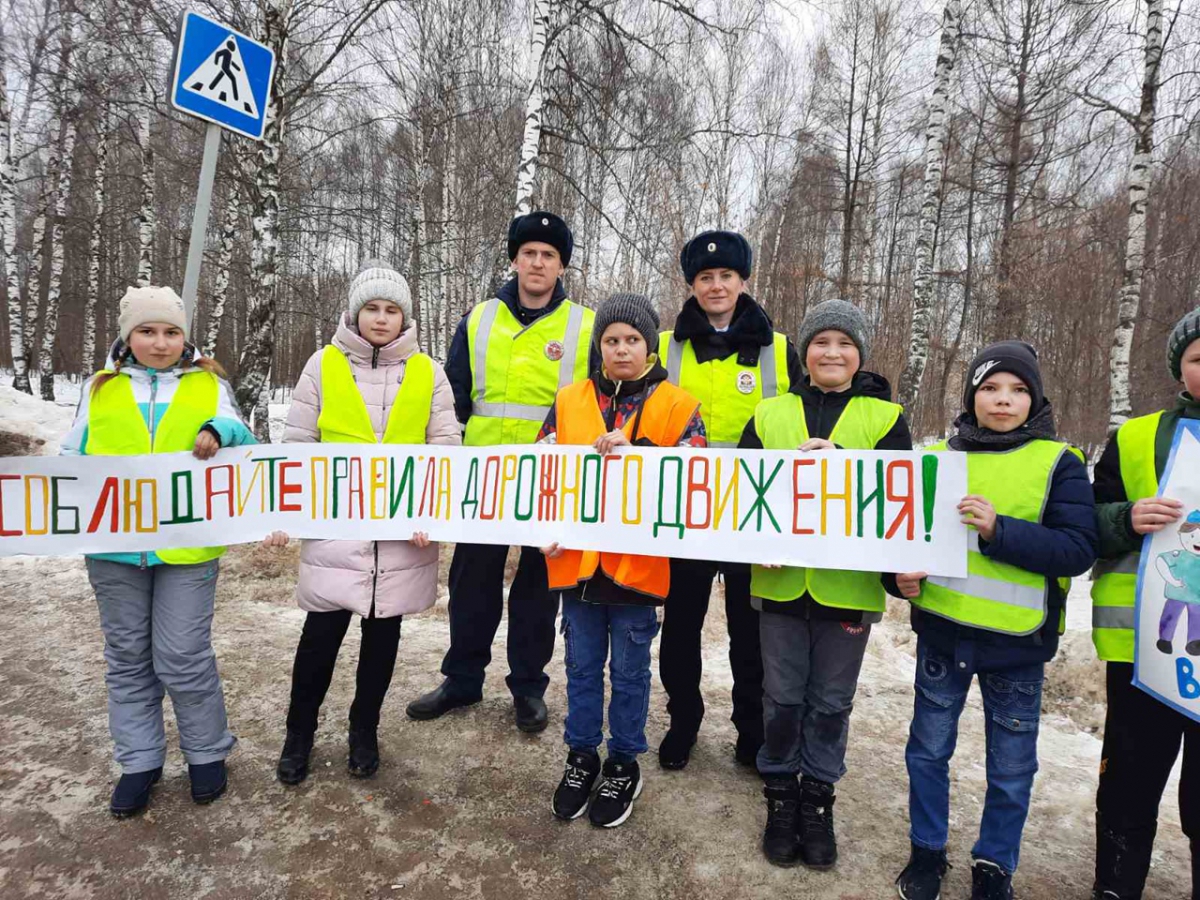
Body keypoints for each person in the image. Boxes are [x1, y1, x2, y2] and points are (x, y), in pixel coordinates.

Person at [892, 341, 1097, 900]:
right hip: (943, 632)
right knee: (927, 752)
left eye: (1018, 389)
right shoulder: (938, 458)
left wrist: (999, 531)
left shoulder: (1060, 461)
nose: (1003, 400)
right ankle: (927, 852)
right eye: (989, 388)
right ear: (971, 396)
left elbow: (1078, 549)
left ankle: (994, 865)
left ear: (1035, 398)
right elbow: (906, 541)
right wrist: (899, 581)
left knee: (1010, 769)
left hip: (1016, 644)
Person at [61, 285, 256, 817]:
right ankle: (140, 761)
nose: (160, 342)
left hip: (187, 551)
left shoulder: (208, 384)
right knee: (127, 659)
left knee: (183, 655)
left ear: (185, 336)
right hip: (113, 550)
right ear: (128, 336)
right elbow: (69, 456)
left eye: (171, 332)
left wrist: (220, 430)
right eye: (147, 331)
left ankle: (206, 752)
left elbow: (244, 436)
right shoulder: (100, 389)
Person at [268, 261, 460, 785]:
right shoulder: (323, 364)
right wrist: (285, 512)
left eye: (391, 309)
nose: (381, 318)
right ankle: (298, 734)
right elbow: (298, 447)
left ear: (405, 317)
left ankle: (363, 730)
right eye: (371, 308)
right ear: (355, 313)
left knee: (383, 640)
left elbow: (445, 448)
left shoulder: (428, 371)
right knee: (319, 639)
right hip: (335, 532)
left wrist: (432, 513)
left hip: (401, 538)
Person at [738, 300, 912, 869]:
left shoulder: (885, 418)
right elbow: (741, 494)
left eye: (843, 343)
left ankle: (818, 799)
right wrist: (754, 547)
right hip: (781, 585)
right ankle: (781, 795)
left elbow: (899, 502)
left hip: (849, 590)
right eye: (819, 343)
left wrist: (844, 463)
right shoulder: (769, 413)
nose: (831, 353)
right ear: (803, 353)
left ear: (859, 353)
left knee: (830, 703)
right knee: (782, 697)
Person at [407, 212, 594, 733]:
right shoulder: (480, 317)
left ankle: (528, 688)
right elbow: (452, 397)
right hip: (482, 478)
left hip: (550, 479)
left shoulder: (585, 325)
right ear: (514, 259)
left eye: (549, 255)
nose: (538, 262)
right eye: (529, 252)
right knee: (473, 583)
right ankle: (462, 678)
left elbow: (597, 401)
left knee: (538, 589)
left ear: (561, 266)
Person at [537, 292, 704, 827]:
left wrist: (647, 456)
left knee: (630, 673)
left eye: (633, 339)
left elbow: (696, 478)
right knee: (582, 668)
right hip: (579, 569)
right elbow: (538, 469)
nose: (622, 349)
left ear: (650, 346)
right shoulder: (570, 399)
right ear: (599, 346)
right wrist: (540, 527)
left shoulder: (679, 404)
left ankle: (624, 762)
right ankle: (581, 755)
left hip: (638, 571)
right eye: (612, 340)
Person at [656, 229, 805, 770]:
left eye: (726, 276)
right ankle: (683, 722)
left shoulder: (780, 349)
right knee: (680, 628)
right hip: (686, 512)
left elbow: (812, 409)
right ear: (692, 285)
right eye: (704, 278)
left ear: (744, 280)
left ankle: (751, 730)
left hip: (753, 512)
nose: (716, 286)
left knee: (751, 633)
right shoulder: (667, 345)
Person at [1089, 308, 1200, 900]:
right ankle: (1115, 884)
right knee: (1131, 778)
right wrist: (1126, 518)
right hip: (1145, 647)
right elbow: (1089, 524)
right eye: (1199, 357)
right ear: (1179, 368)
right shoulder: (1135, 437)